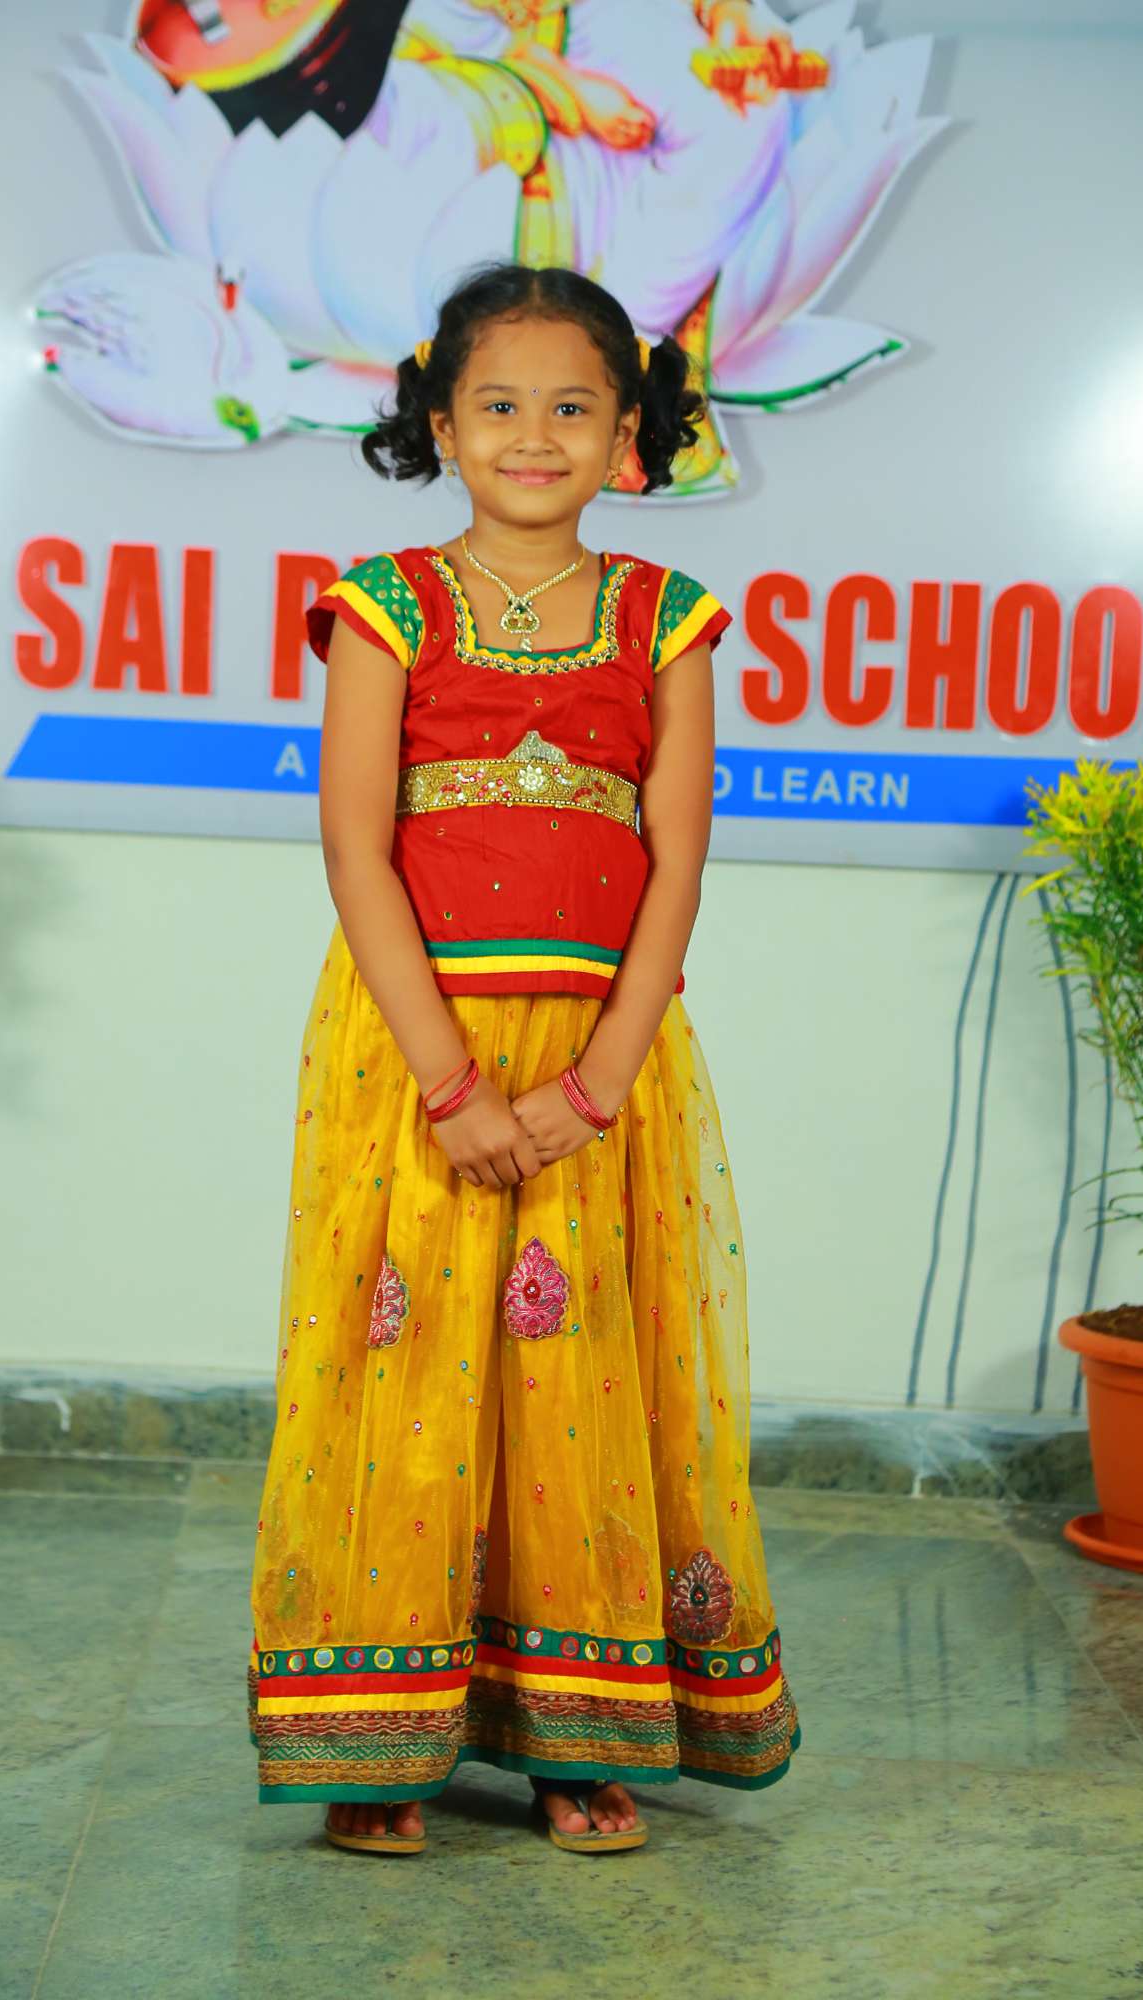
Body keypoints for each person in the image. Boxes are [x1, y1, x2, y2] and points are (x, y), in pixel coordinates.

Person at [247, 259, 800, 1855]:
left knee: (582, 1381)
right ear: (440, 422)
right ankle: (377, 1747)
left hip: (596, 1069)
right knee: (407, 1366)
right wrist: (449, 1084)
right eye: (497, 405)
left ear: (628, 433)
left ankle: (579, 1733)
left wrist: (593, 1087)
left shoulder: (665, 620)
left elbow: (676, 866)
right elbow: (354, 854)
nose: (533, 435)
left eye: (571, 407)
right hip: (414, 1054)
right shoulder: (384, 606)